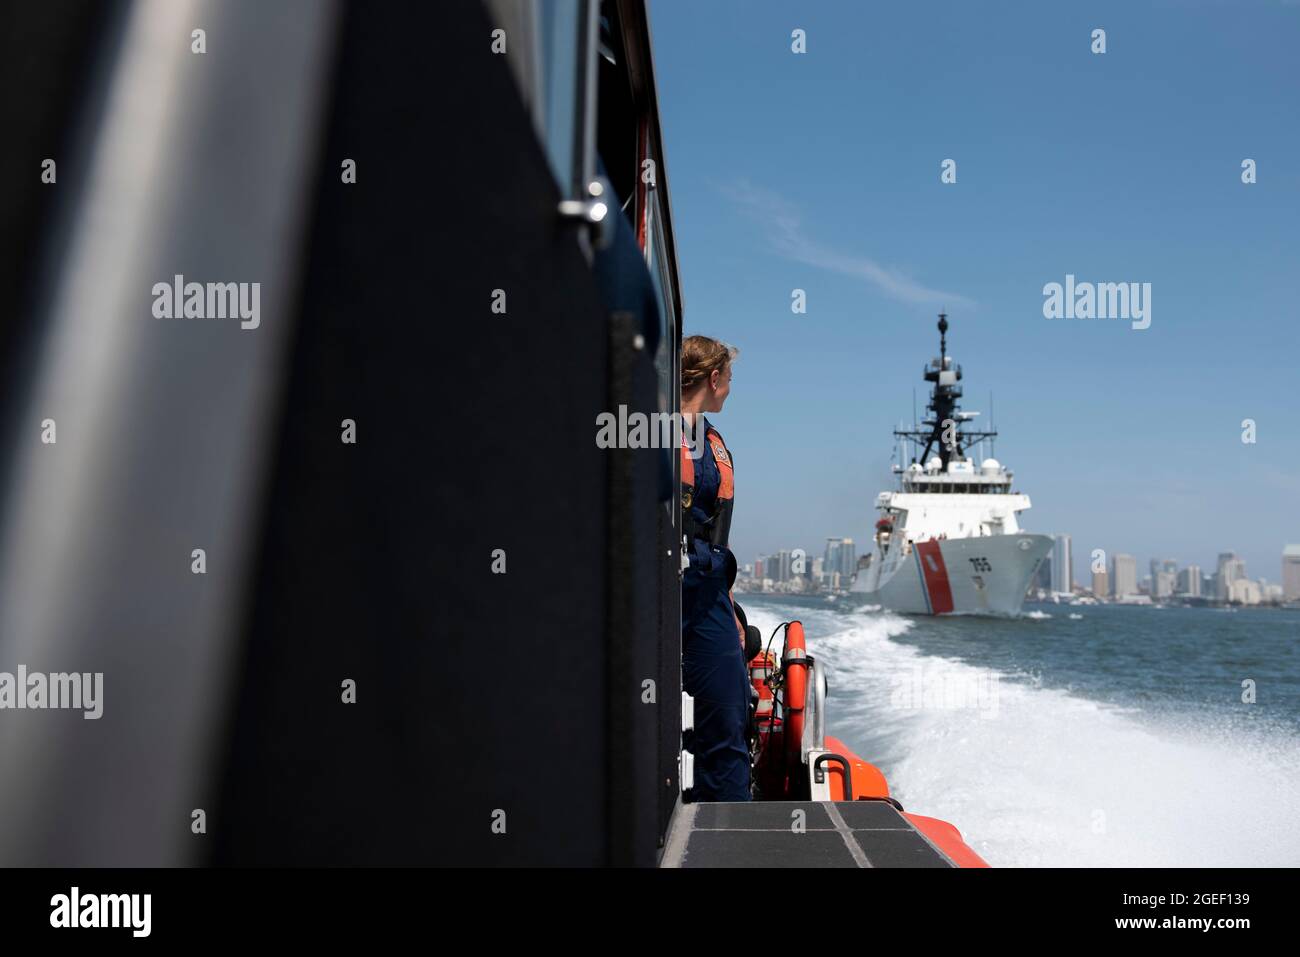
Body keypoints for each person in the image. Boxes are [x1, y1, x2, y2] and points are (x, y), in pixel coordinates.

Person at [679, 335, 751, 802]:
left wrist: (729, 607)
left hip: (707, 592)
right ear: (713, 378)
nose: (730, 388)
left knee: (730, 708)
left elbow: (715, 537)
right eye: (728, 379)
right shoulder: (647, 431)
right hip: (657, 587)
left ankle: (726, 832)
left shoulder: (712, 441)